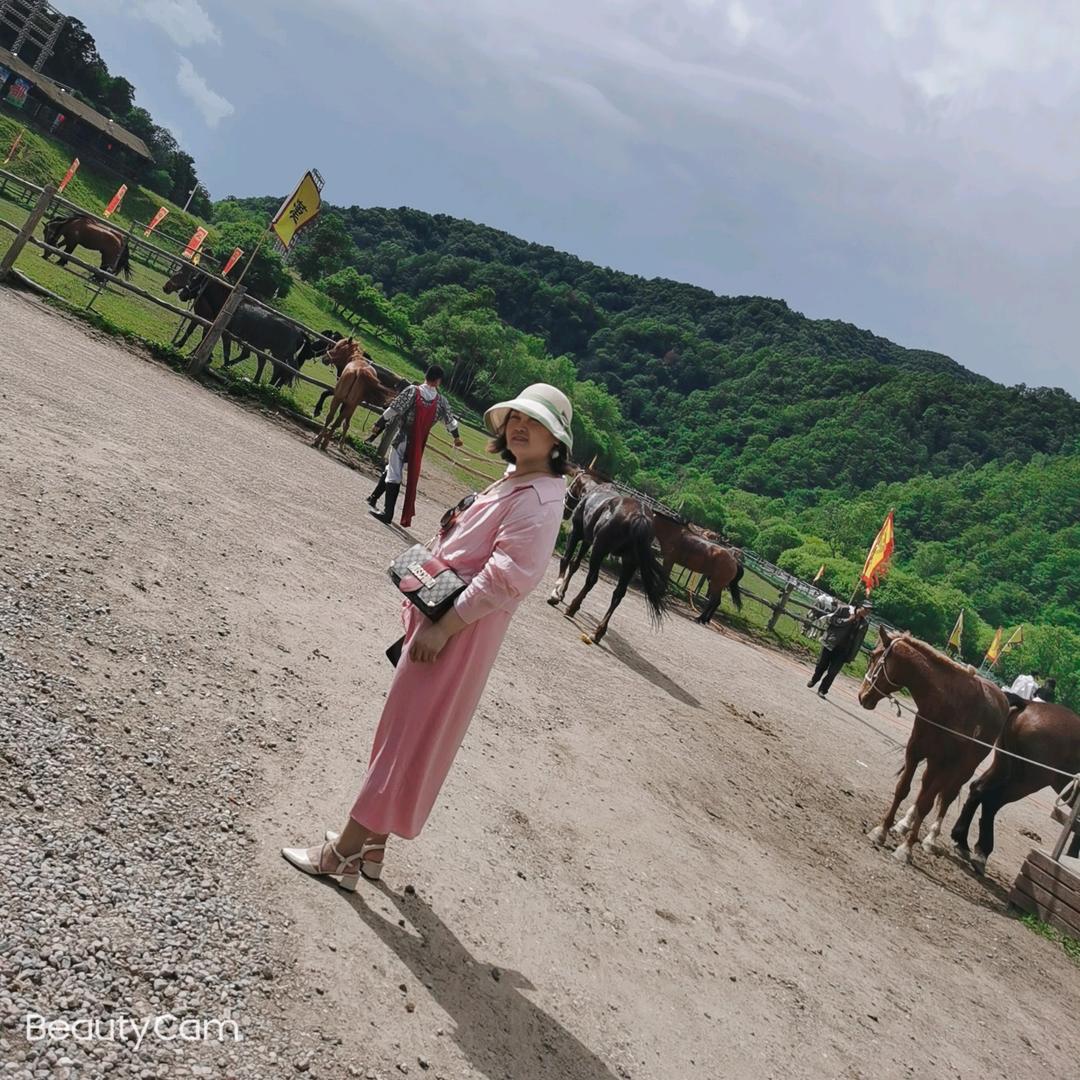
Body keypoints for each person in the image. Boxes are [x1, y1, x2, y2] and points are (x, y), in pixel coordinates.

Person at [283, 383, 574, 887]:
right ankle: (372, 847)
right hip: (448, 618)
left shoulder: (541, 500)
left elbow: (505, 579)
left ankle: (343, 852)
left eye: (537, 422)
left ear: (557, 441)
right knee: (406, 729)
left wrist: (443, 629)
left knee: (406, 734)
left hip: (459, 629)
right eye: (517, 418)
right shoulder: (521, 481)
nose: (522, 427)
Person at [366, 365, 464, 527]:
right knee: (392, 467)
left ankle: (387, 513)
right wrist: (456, 437)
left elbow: (393, 409)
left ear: (426, 375)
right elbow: (451, 423)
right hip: (419, 444)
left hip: (403, 438)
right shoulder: (441, 401)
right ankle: (373, 497)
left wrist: (379, 423)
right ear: (438, 381)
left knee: (394, 473)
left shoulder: (413, 391)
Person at [807, 602, 871, 699]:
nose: (867, 612)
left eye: (869, 611)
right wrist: (848, 620)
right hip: (831, 642)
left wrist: (852, 655)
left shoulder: (864, 624)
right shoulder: (844, 609)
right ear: (859, 607)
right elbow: (832, 620)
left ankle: (823, 690)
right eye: (865, 609)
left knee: (833, 672)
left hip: (844, 650)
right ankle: (814, 679)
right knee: (821, 665)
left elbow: (859, 640)